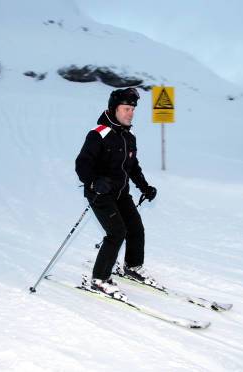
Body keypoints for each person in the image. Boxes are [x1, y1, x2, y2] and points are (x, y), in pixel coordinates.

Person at [75, 87, 157, 297]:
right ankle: (99, 279)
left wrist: (144, 186)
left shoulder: (129, 137)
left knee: (136, 228)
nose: (131, 113)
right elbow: (82, 164)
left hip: (121, 194)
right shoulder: (98, 134)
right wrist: (93, 183)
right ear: (113, 110)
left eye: (132, 109)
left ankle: (132, 266)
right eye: (126, 109)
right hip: (100, 194)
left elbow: (133, 166)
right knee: (116, 233)